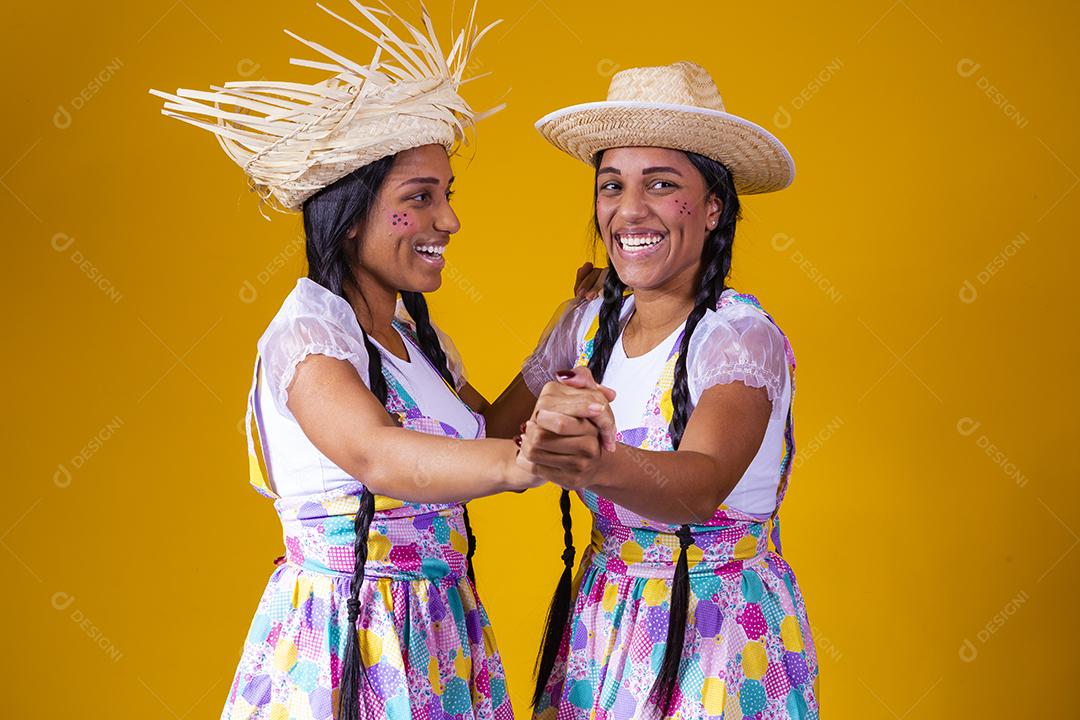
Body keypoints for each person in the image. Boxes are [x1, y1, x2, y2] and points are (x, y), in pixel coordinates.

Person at [148, 4, 605, 718]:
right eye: (419, 199)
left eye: (446, 196)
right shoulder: (310, 335)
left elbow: (482, 438)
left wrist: (563, 338)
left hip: (438, 633)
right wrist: (524, 465)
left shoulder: (414, 338)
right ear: (349, 215)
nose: (448, 220)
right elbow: (378, 456)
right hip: (356, 640)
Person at [520, 62, 820, 719]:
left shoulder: (737, 337)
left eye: (661, 184)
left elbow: (701, 483)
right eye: (612, 185)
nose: (629, 210)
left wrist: (595, 462)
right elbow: (488, 435)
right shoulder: (588, 328)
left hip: (716, 630)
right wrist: (398, 334)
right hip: (604, 621)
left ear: (714, 207)